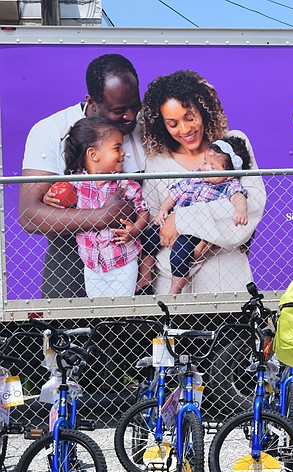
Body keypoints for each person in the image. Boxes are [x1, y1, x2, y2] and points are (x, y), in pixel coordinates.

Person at [19, 53, 145, 298]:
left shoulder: (146, 130)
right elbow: (29, 216)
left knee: (137, 334)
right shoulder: (51, 130)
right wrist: (101, 216)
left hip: (132, 259)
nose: (130, 116)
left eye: (135, 106)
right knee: (71, 334)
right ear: (92, 102)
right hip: (70, 262)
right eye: (119, 110)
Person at [139, 69, 266, 295]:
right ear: (162, 125)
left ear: (203, 111)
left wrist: (181, 219)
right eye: (173, 123)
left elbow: (251, 207)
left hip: (227, 280)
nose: (185, 129)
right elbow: (158, 227)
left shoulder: (233, 146)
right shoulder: (156, 162)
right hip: (172, 283)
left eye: (190, 117)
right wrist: (202, 241)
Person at [51, 117, 150, 297]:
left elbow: (144, 210)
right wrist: (48, 196)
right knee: (97, 311)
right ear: (93, 155)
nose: (123, 154)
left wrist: (134, 230)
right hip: (92, 263)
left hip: (123, 261)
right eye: (117, 148)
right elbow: (59, 198)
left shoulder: (125, 184)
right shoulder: (76, 183)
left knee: (121, 310)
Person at [149, 136, 251, 294]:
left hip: (194, 231)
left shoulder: (229, 184)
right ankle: (145, 275)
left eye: (212, 167)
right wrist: (163, 209)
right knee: (147, 239)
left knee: (179, 255)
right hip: (173, 220)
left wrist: (240, 210)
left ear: (229, 174)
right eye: (204, 162)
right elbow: (175, 193)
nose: (205, 168)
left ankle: (174, 291)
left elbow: (239, 197)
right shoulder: (196, 175)